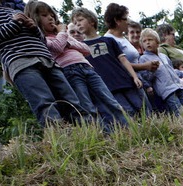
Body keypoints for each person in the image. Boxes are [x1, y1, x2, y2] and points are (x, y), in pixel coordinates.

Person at [29, 1, 127, 131]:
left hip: (87, 67)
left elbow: (86, 48)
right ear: (36, 18)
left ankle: (128, 128)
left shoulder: (63, 36)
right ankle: (103, 135)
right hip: (70, 71)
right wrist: (63, 34)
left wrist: (67, 42)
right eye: (45, 15)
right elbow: (57, 47)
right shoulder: (43, 38)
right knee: (87, 106)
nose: (51, 18)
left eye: (52, 15)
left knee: (110, 100)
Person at [0, 0, 90, 128]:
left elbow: (42, 39)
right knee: (44, 103)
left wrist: (34, 28)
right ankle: (60, 139)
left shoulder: (17, 10)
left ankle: (87, 134)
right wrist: (14, 23)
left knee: (71, 101)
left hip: (47, 60)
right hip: (20, 61)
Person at [71, 7, 149, 117]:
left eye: (80, 20)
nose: (77, 24)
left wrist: (134, 76)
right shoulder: (81, 48)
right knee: (127, 112)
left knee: (142, 108)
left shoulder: (109, 40)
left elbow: (123, 60)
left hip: (125, 81)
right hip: (108, 88)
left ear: (92, 21)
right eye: (74, 23)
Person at [138, 28, 183, 116]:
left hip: (178, 86)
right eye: (144, 41)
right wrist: (152, 71)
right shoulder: (143, 58)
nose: (147, 42)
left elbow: (172, 71)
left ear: (157, 42)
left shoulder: (163, 56)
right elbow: (145, 77)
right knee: (178, 111)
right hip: (166, 90)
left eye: (150, 40)